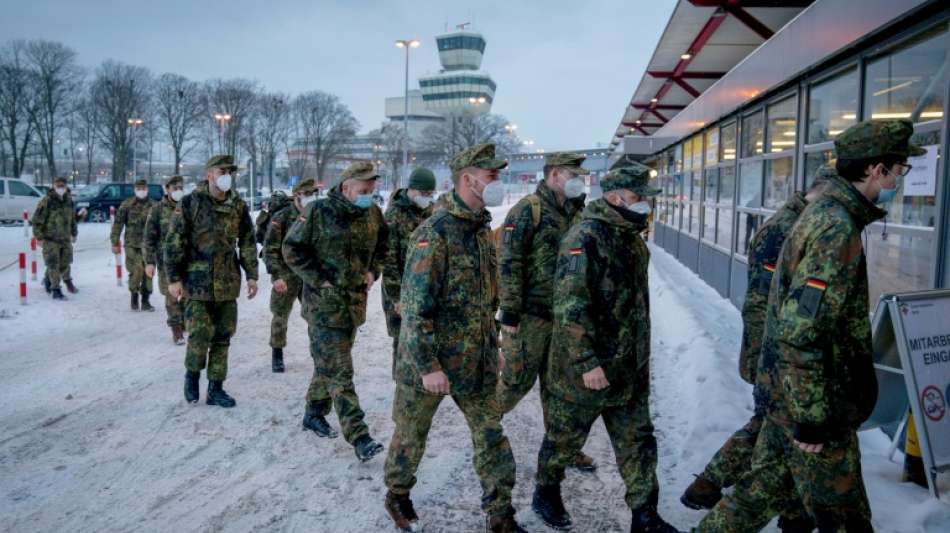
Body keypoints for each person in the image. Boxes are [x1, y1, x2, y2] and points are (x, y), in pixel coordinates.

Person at [696, 119, 925, 532]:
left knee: (758, 494)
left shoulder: (826, 215)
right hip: (816, 403)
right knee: (845, 519)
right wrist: (813, 416)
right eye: (899, 169)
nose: (899, 179)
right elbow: (802, 330)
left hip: (796, 397)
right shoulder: (835, 228)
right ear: (877, 170)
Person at [680, 170, 836, 532]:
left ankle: (716, 487)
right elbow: (764, 305)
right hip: (778, 356)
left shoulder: (802, 223)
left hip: (780, 356)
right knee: (777, 433)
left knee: (772, 430)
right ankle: (718, 488)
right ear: (823, 194)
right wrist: (771, 361)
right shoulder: (786, 230)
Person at [383, 143, 525, 533]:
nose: (498, 181)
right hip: (429, 363)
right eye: (491, 175)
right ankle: (397, 493)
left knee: (491, 434)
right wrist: (428, 366)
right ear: (468, 179)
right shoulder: (435, 233)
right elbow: (414, 308)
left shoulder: (481, 230)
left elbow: (485, 301)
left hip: (474, 361)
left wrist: (491, 346)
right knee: (411, 436)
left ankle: (500, 513)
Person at [533, 163, 677, 532]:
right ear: (616, 198)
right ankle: (546, 492)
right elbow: (569, 306)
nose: (647, 204)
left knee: (638, 442)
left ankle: (645, 514)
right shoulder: (585, 238)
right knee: (564, 440)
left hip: (628, 365)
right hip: (587, 370)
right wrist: (586, 362)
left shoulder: (629, 236)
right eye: (640, 198)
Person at [496, 151, 597, 472]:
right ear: (553, 176)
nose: (578, 182)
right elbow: (509, 263)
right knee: (515, 382)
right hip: (530, 318)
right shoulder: (528, 210)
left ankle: (563, 447)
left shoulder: (579, 211)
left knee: (562, 389)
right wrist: (509, 313)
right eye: (572, 175)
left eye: (580, 176)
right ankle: (484, 429)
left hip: (566, 321)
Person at [282, 161, 388, 461]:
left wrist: (373, 271)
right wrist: (319, 280)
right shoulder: (317, 212)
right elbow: (291, 249)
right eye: (364, 189)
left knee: (328, 364)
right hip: (323, 308)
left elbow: (383, 244)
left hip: (353, 306)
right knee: (340, 370)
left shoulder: (372, 214)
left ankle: (313, 412)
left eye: (372, 189)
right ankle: (359, 436)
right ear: (346, 187)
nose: (369, 194)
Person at [165, 155, 259, 408]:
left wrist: (252, 274)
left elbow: (248, 241)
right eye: (222, 170)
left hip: (227, 283)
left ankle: (216, 388)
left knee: (223, 337)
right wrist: (173, 278)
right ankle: (192, 375)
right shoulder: (190, 203)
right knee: (199, 334)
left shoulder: (237, 205)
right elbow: (174, 242)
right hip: (196, 284)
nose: (226, 175)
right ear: (209, 174)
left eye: (230, 171)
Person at [382, 166, 436, 375]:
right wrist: (396, 297)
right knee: (403, 337)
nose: (427, 198)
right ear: (412, 190)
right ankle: (401, 380)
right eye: (424, 194)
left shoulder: (430, 212)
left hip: (426, 285)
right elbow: (388, 261)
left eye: (430, 194)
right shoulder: (394, 216)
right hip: (401, 289)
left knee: (424, 334)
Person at [262, 178, 317, 373]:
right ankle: (277, 353)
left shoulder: (316, 214)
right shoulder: (283, 216)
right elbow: (270, 249)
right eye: (308, 193)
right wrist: (276, 275)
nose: (312, 197)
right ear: (297, 195)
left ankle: (318, 353)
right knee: (280, 315)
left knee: (315, 315)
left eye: (314, 193)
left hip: (309, 275)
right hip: (286, 274)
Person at [145, 176, 187, 344]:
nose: (178, 191)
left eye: (180, 187)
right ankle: (176, 329)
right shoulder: (157, 210)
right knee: (171, 295)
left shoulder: (188, 206)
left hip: (188, 259)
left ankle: (184, 322)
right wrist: (149, 261)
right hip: (166, 262)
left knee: (188, 294)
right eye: (174, 188)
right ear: (167, 189)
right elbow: (149, 237)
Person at [111, 178, 156, 311]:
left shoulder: (154, 205)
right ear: (135, 189)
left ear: (147, 189)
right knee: (137, 270)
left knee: (148, 272)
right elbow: (118, 224)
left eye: (143, 188)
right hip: (132, 245)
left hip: (149, 246)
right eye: (139, 188)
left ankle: (146, 300)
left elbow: (160, 226)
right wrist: (115, 241)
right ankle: (134, 297)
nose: (141, 191)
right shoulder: (127, 204)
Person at [32, 176, 79, 300]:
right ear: (53, 186)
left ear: (66, 186)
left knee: (65, 264)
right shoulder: (47, 201)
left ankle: (48, 279)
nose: (60, 187)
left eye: (62, 185)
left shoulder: (69, 201)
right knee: (53, 264)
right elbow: (37, 220)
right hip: (50, 239)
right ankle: (56, 290)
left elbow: (72, 219)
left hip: (65, 239)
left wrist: (74, 233)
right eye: (58, 185)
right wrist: (39, 237)